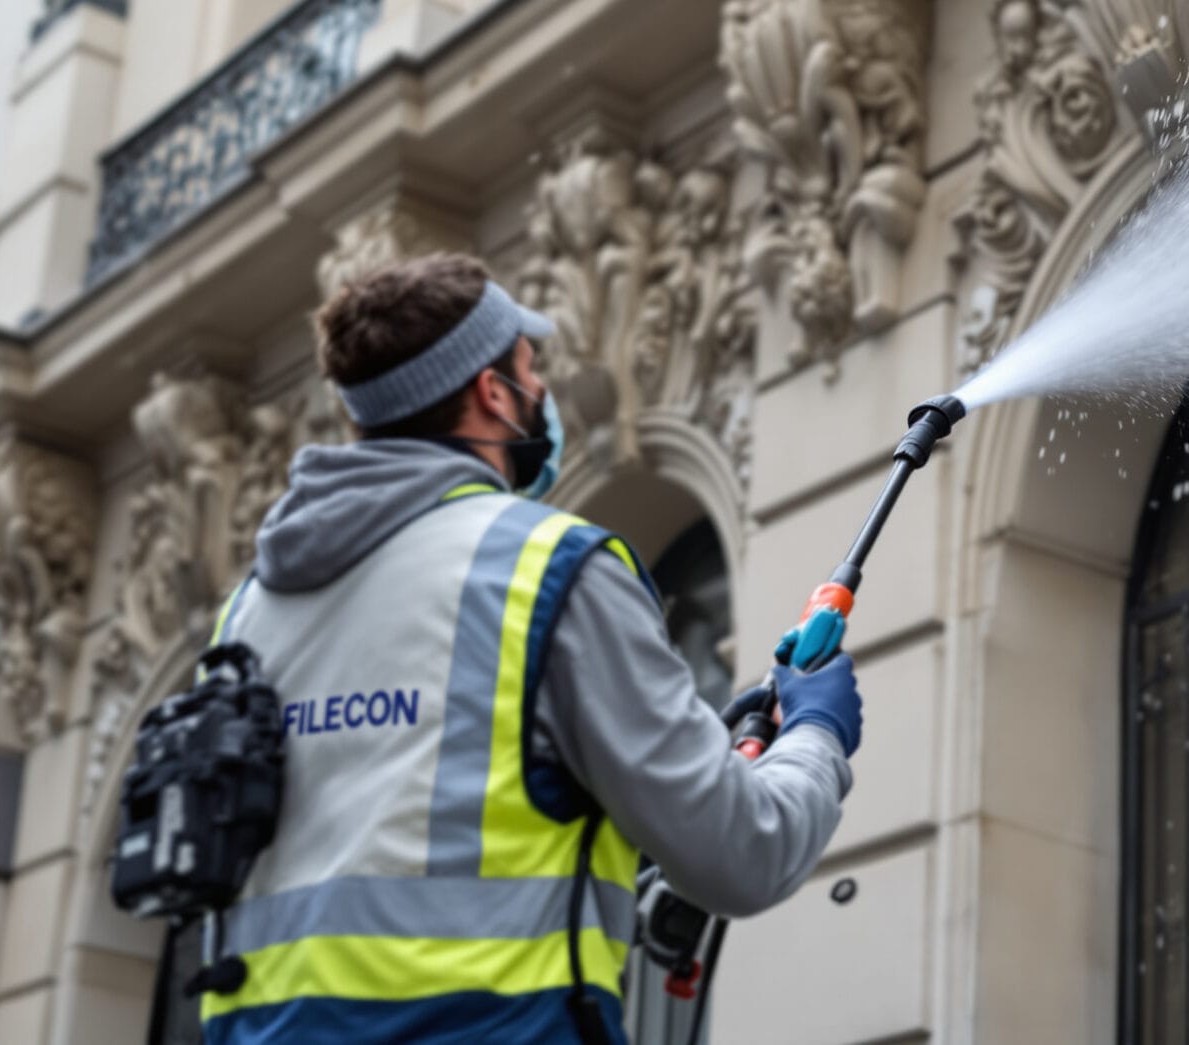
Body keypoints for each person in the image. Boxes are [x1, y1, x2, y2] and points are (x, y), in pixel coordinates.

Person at [195, 252, 859, 1044]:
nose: (541, 392)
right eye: (528, 367)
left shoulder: (249, 611)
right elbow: (743, 851)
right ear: (490, 393)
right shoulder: (548, 567)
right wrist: (816, 731)